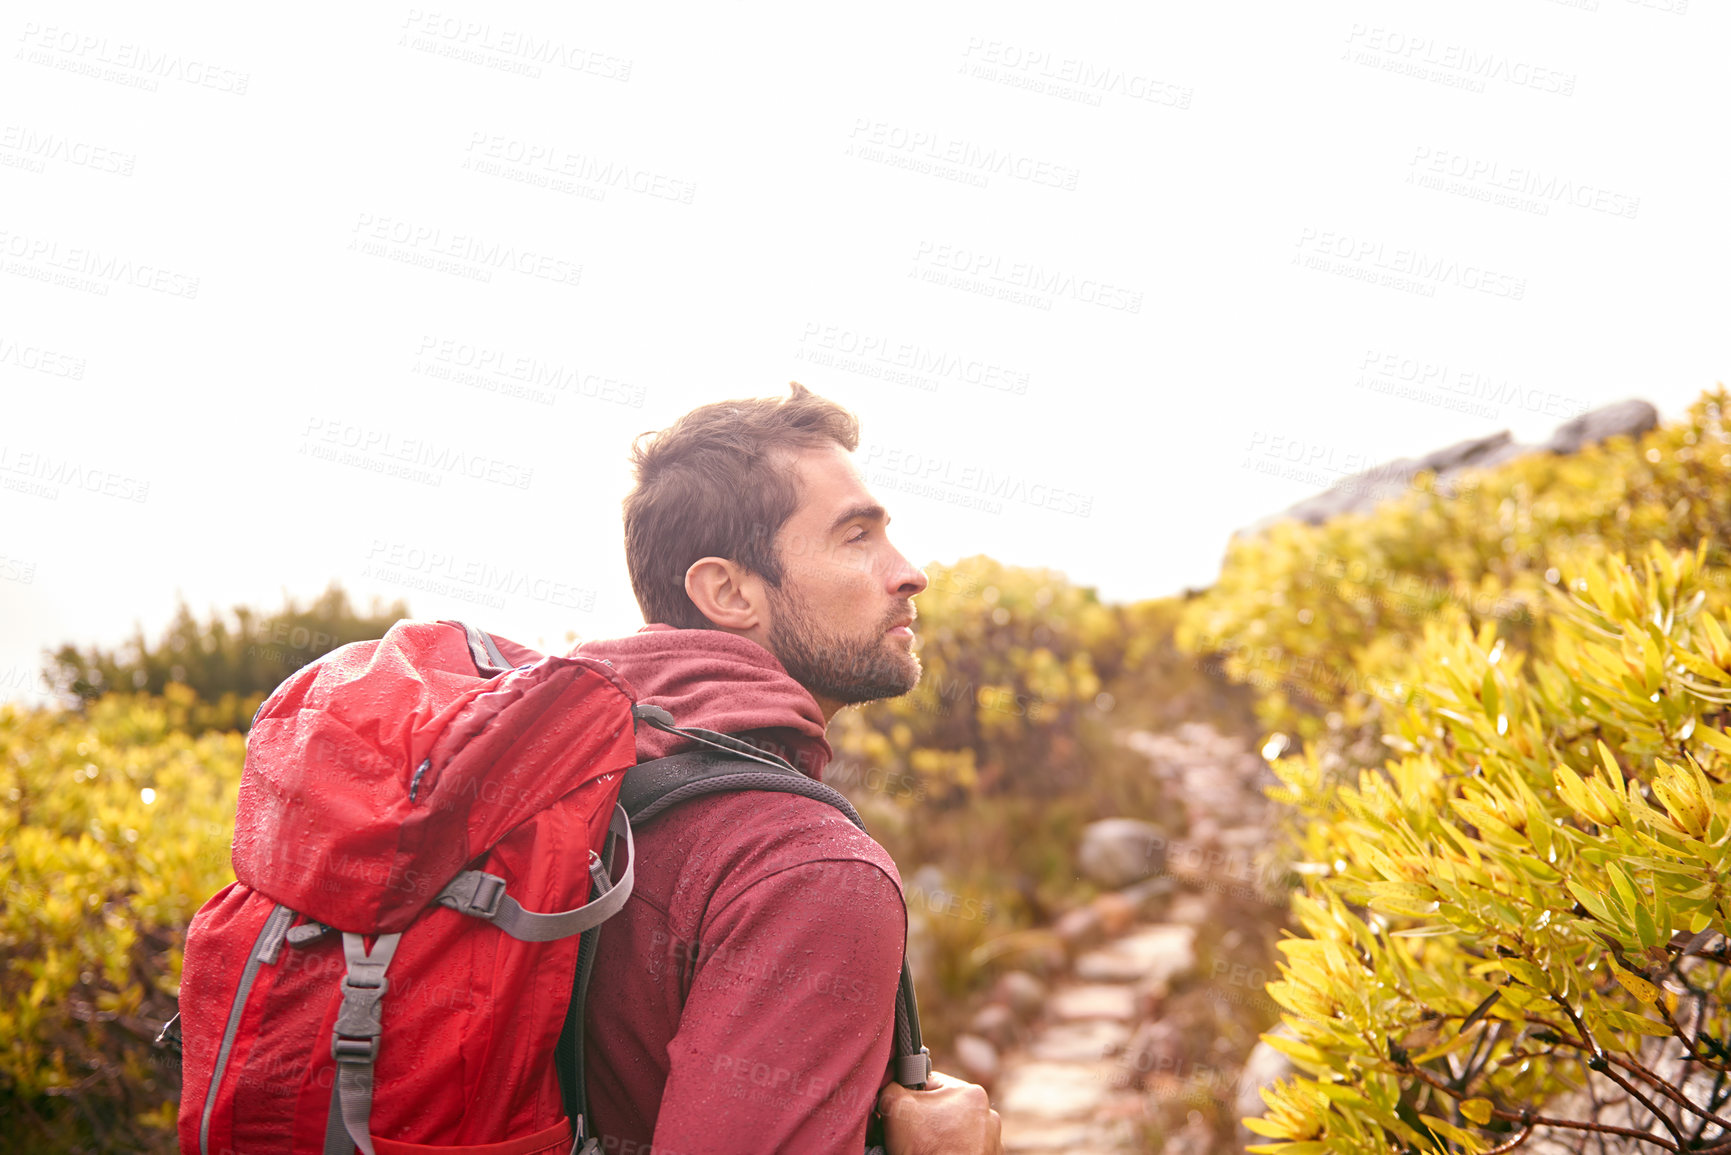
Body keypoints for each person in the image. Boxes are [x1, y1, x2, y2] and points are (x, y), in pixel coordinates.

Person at [577, 384, 1002, 1154]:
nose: (909, 573)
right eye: (855, 536)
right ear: (728, 590)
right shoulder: (805, 867)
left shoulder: (583, 777)